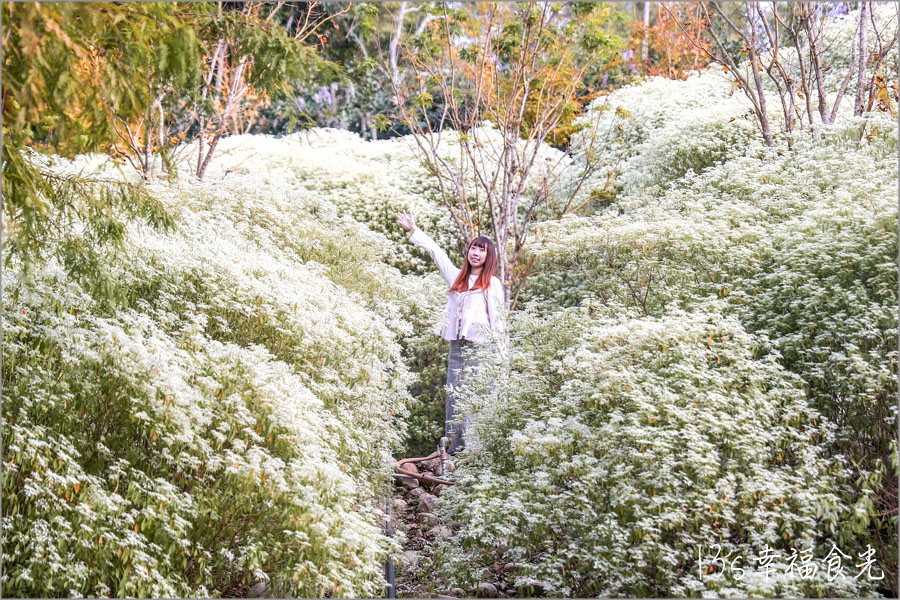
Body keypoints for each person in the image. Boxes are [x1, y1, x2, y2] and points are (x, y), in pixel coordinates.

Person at [396, 211, 506, 455]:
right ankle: (452, 452)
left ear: (488, 256)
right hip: (457, 346)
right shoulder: (457, 277)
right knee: (455, 396)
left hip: (481, 347)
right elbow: (438, 255)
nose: (475, 252)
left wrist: (500, 356)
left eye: (481, 250)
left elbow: (498, 321)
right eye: (473, 248)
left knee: (475, 398)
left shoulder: (492, 284)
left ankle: (474, 452)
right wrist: (415, 230)